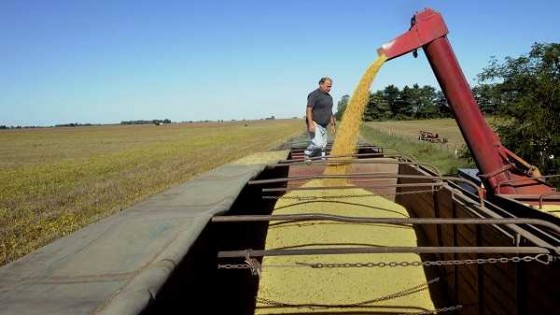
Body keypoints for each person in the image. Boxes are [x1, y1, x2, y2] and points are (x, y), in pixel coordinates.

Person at [304, 77, 336, 161]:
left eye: (330, 86)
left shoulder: (329, 97)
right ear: (321, 84)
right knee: (318, 144)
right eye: (327, 86)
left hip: (323, 126)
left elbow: (330, 111)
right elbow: (309, 109)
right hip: (315, 123)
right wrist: (310, 123)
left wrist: (332, 125)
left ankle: (321, 161)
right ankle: (307, 153)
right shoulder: (314, 94)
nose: (329, 88)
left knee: (323, 146)